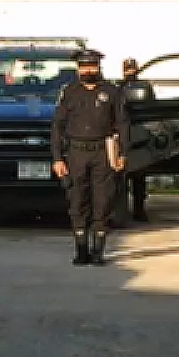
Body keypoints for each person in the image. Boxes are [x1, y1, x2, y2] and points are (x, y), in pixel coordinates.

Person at [51, 48, 129, 265]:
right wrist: (58, 158)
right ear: (78, 68)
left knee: (103, 203)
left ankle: (98, 252)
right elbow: (57, 126)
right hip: (76, 152)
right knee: (77, 202)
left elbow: (123, 124)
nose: (88, 70)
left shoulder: (112, 92)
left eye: (92, 66)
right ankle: (81, 250)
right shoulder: (69, 93)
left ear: (98, 67)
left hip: (103, 152)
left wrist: (122, 153)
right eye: (83, 66)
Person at [118, 57, 151, 222]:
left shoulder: (145, 87)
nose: (130, 72)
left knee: (139, 175)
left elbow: (152, 107)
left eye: (132, 69)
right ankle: (123, 210)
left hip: (140, 133)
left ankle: (139, 209)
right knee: (121, 174)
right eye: (128, 69)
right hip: (125, 134)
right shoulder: (118, 88)